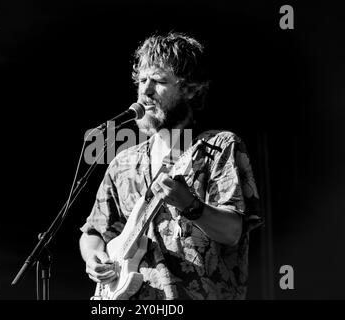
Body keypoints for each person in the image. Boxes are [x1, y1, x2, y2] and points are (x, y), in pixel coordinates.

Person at [79, 32, 262, 300]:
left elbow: (232, 231)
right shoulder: (123, 163)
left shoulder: (219, 147)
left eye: (159, 81)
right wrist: (94, 257)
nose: (146, 90)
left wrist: (191, 205)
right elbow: (94, 231)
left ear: (191, 89)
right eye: (142, 80)